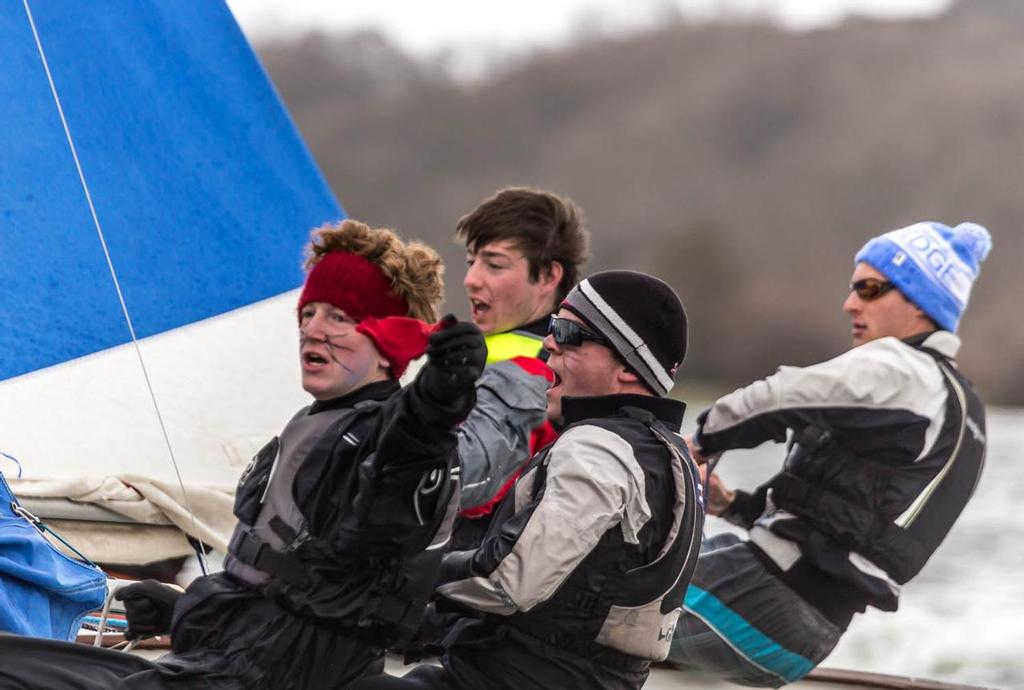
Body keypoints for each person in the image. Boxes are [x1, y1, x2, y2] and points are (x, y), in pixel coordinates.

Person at [0, 219, 487, 689]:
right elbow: (272, 591)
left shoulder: (394, 442)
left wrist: (439, 399)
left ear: (387, 344)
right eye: (308, 312)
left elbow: (398, 480)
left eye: (339, 317)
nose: (313, 329)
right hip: (230, 660)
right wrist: (183, 608)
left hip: (270, 674)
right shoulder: (320, 422)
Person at [667, 221, 992, 687]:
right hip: (807, 638)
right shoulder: (966, 410)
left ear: (921, 303)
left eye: (870, 288)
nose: (850, 303)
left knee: (566, 606)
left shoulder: (901, 369)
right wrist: (732, 505)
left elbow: (773, 397)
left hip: (754, 596)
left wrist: (696, 445)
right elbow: (850, 525)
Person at [350, 270, 706, 690]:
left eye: (571, 333)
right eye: (553, 326)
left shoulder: (597, 446)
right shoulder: (671, 452)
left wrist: (390, 580)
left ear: (629, 366)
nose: (549, 342)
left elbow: (508, 579)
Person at [452, 186, 590, 549]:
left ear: (548, 276)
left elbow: (463, 479)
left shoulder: (544, 371)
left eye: (494, 265)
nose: (471, 280)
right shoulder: (474, 346)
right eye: (471, 263)